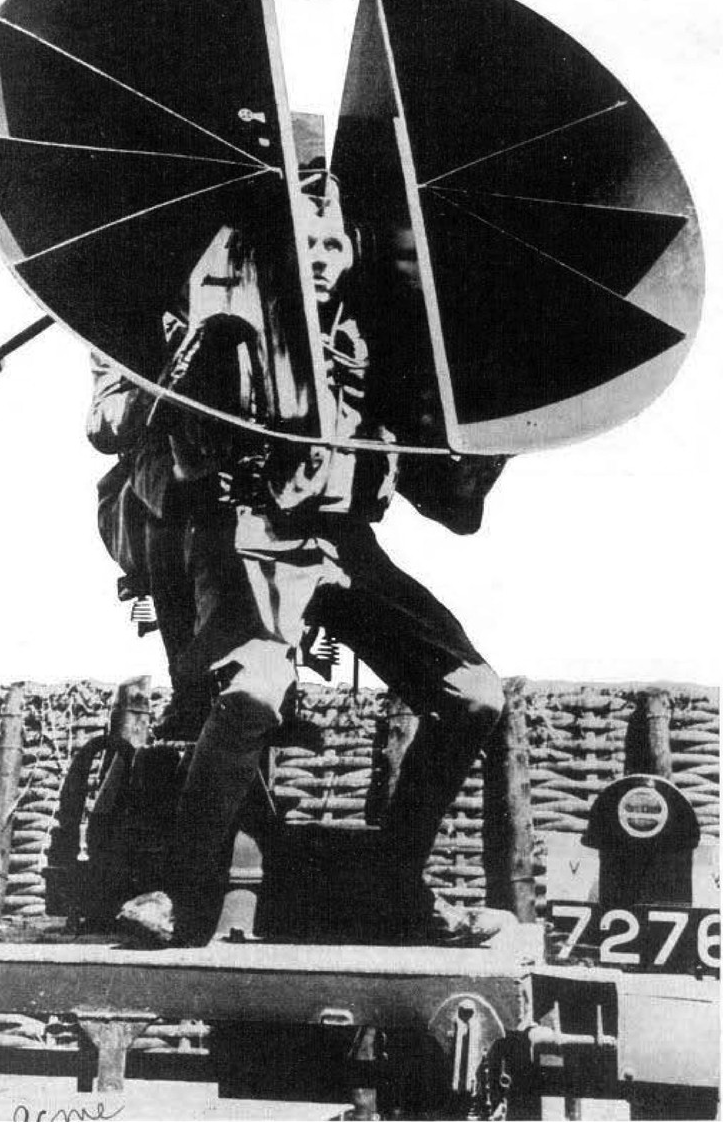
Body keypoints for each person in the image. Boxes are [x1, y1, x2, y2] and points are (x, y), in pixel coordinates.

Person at [95, 166, 508, 946]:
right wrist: (187, 361)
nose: (321, 257)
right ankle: (182, 896)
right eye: (305, 241)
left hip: (343, 543)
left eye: (333, 244)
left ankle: (396, 887)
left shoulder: (372, 338)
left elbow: (450, 504)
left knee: (474, 695)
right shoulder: (185, 311)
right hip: (241, 532)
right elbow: (109, 424)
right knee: (254, 691)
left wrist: (490, 430)